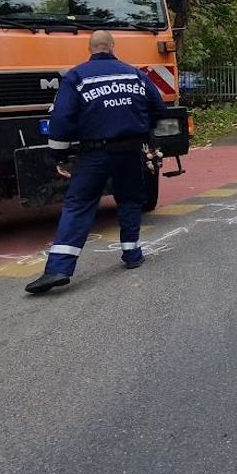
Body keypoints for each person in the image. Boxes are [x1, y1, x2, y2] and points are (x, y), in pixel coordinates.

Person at [26, 30, 166, 294]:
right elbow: (158, 107)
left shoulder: (76, 77)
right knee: (130, 200)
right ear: (112, 46)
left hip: (94, 154)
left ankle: (59, 269)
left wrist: (59, 155)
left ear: (90, 49)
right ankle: (132, 254)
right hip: (130, 151)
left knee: (79, 204)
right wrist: (143, 130)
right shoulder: (134, 74)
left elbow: (61, 119)